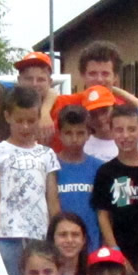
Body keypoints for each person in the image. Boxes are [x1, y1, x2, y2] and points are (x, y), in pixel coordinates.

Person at [0, 86, 58, 275]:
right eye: (19, 121)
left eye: (31, 121)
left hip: (40, 235)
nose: (25, 127)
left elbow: (52, 199)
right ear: (7, 116)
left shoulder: (47, 154)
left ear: (39, 118)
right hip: (6, 236)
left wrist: (54, 236)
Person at [92, 104, 138, 269]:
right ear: (112, 132)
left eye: (131, 129)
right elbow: (103, 215)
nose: (125, 135)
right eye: (119, 130)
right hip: (122, 251)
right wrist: (116, 251)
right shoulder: (106, 171)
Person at [52, 108, 104, 255]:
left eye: (80, 133)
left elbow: (104, 213)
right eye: (68, 133)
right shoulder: (50, 166)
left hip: (91, 247)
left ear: (88, 134)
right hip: (59, 248)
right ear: (59, 134)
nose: (74, 139)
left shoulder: (99, 168)